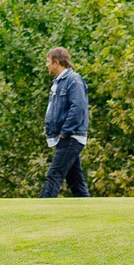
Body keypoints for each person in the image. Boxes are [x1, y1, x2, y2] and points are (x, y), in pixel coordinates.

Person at [43, 46, 90, 198]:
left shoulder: (73, 80)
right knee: (76, 182)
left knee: (54, 175)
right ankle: (89, 213)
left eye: (48, 61)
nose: (46, 65)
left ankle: (41, 211)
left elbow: (78, 108)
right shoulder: (58, 83)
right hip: (66, 136)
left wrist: (65, 132)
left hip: (71, 136)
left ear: (57, 62)